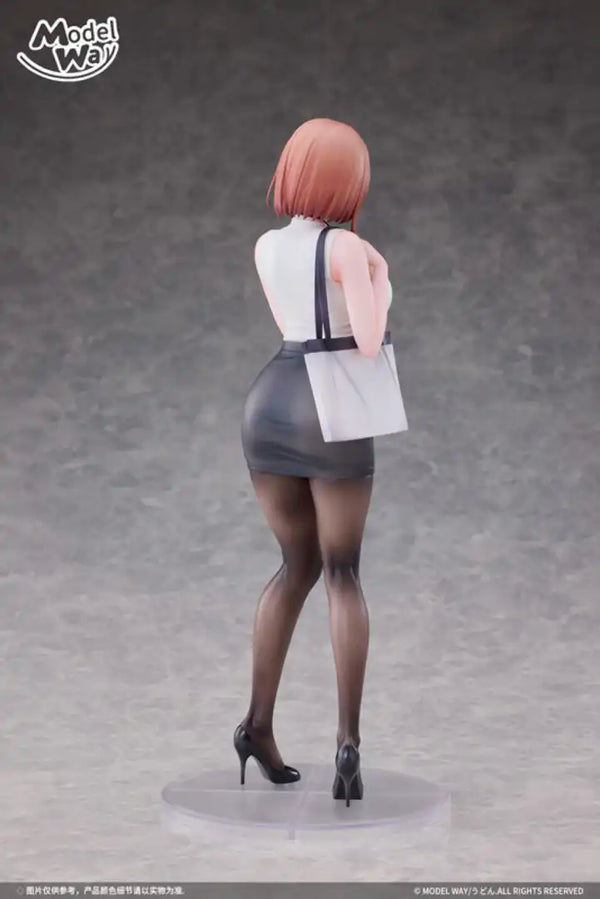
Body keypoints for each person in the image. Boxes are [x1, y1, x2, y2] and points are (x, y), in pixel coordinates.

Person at [234, 117, 393, 806]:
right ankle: (348, 743)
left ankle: (255, 725)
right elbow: (369, 340)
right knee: (341, 573)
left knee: (292, 565)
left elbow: (291, 323)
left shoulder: (267, 245)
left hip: (269, 401)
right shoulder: (348, 249)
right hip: (330, 410)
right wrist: (379, 274)